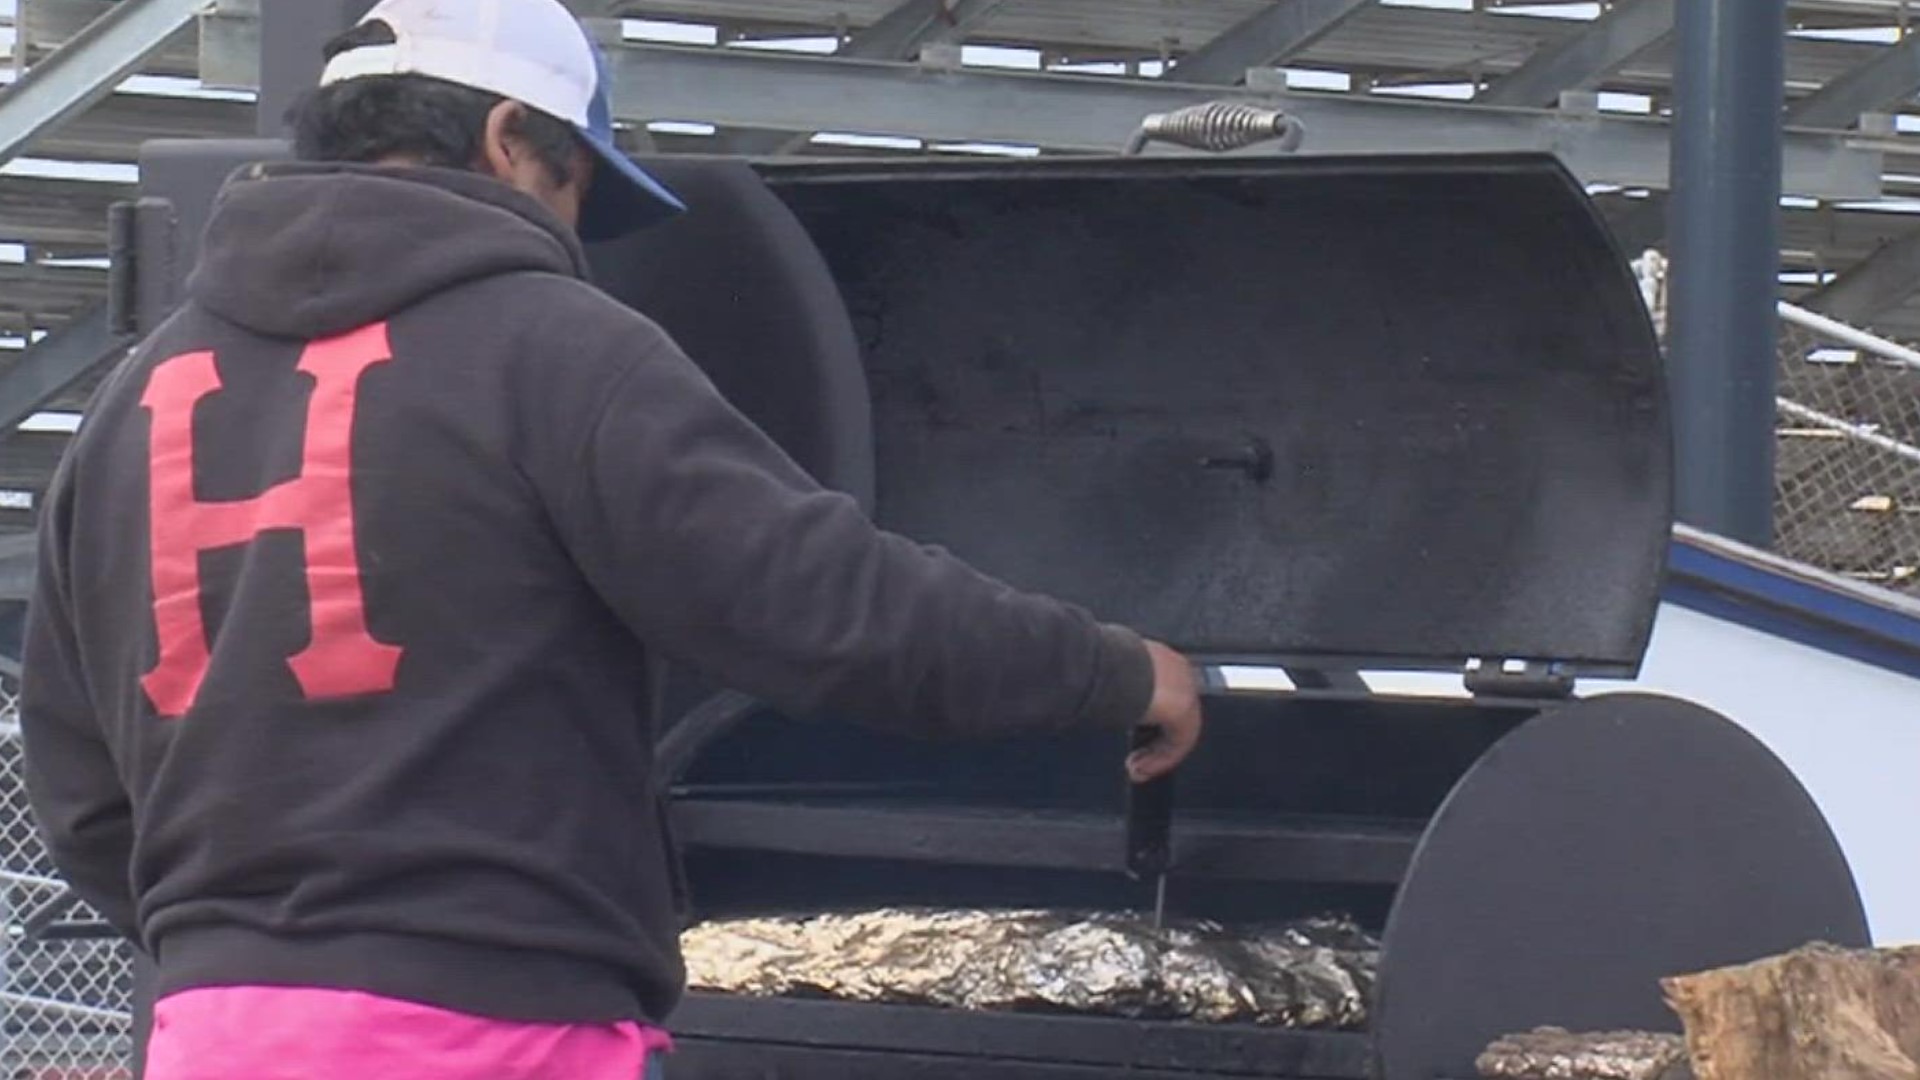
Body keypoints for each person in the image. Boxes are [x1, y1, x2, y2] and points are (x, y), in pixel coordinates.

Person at [17, 0, 1205, 1078]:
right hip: (494, 1034)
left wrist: (257, 951)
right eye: (578, 180)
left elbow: (79, 783)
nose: (577, 226)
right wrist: (1108, 670)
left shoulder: (138, 394)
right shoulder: (553, 344)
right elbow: (825, 608)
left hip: (219, 1036)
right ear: (504, 141)